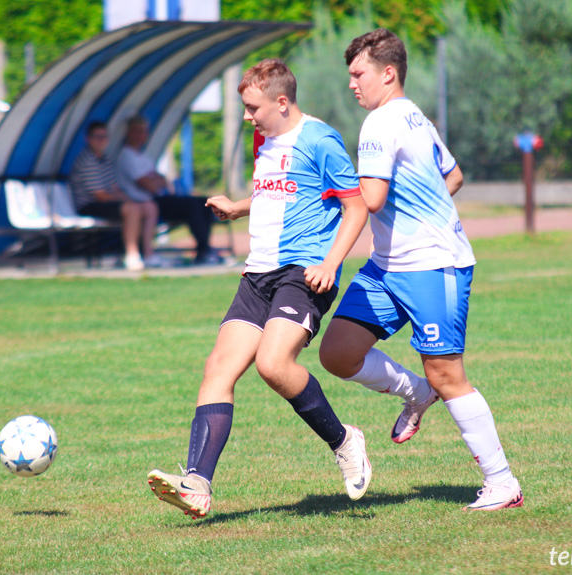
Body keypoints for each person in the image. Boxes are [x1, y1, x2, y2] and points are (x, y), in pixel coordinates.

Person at [146, 58, 371, 519]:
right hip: (258, 273)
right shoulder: (262, 137)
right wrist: (238, 207)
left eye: (253, 108)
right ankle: (196, 483)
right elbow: (282, 191)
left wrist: (331, 262)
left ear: (282, 102)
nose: (248, 116)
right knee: (218, 368)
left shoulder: (320, 139)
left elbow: (356, 206)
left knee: (272, 365)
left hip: (305, 271)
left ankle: (345, 441)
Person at [318, 29, 523, 512]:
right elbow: (453, 175)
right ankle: (417, 393)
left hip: (434, 266)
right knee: (338, 353)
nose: (352, 84)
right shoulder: (415, 117)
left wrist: (318, 189)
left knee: (449, 373)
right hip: (388, 267)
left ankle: (502, 482)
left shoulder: (380, 123)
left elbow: (369, 200)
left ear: (387, 73)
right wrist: (423, 210)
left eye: (358, 73)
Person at [117, 116, 220, 266]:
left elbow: (161, 180)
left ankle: (205, 249)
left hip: (157, 199)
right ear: (129, 133)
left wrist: (156, 180)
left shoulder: (142, 156)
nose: (141, 135)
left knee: (203, 202)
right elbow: (149, 185)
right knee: (192, 206)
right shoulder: (127, 156)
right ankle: (204, 250)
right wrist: (155, 180)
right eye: (137, 131)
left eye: (144, 132)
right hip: (146, 201)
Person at [69, 121, 155, 271]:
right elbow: (100, 196)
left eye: (104, 136)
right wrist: (128, 202)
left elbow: (114, 189)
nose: (101, 140)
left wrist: (129, 199)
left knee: (149, 206)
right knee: (132, 209)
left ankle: (148, 253)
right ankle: (132, 254)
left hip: (104, 203)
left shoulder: (105, 159)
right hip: (88, 206)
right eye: (97, 137)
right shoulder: (87, 161)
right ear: (88, 139)